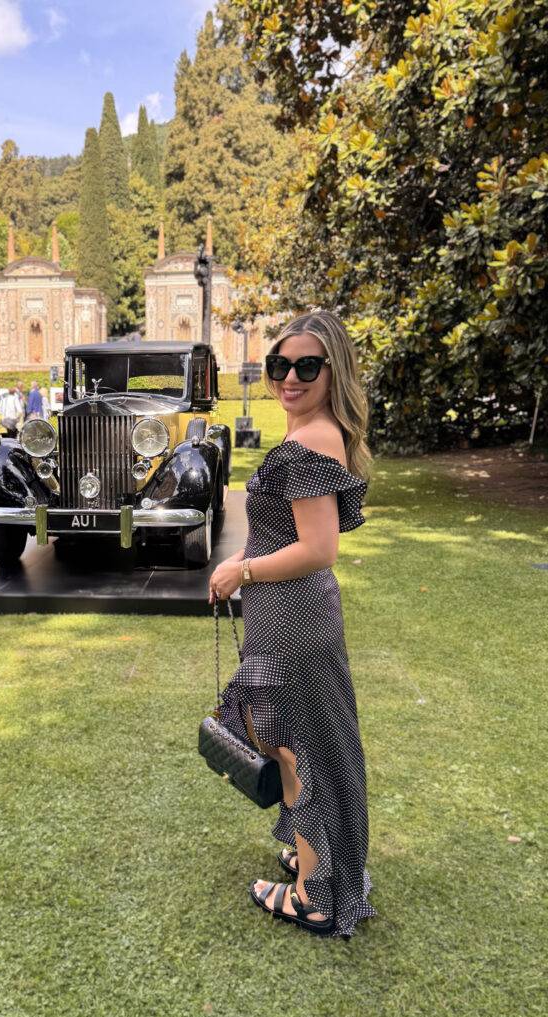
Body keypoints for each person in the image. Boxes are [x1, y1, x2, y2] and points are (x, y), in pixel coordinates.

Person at [208, 309, 377, 941]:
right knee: (299, 738)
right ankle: (317, 859)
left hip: (292, 614)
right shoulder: (317, 432)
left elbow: (319, 548)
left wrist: (242, 570)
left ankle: (313, 894)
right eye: (280, 364)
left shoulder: (311, 442)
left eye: (307, 366)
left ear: (334, 370)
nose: (290, 378)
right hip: (292, 610)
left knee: (291, 743)